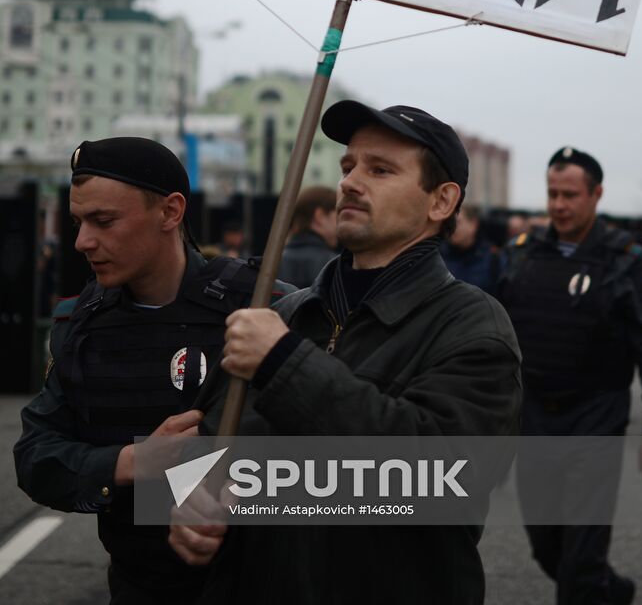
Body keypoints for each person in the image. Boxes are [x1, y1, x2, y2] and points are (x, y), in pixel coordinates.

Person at [169, 101, 522, 605]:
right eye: (348, 166)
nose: (351, 182)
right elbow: (210, 445)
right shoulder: (284, 315)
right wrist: (189, 502)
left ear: (441, 201)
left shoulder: (472, 326)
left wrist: (284, 364)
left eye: (380, 170)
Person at [14, 136, 294, 605]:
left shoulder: (266, 308)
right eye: (79, 222)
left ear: (170, 212)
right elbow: (36, 457)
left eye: (104, 221)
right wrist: (131, 463)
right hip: (140, 588)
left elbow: (341, 455)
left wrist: (223, 485)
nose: (83, 241)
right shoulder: (79, 325)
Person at [498, 146, 642, 605]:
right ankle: (614, 591)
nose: (558, 205)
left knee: (579, 561)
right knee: (546, 547)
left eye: (570, 194)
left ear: (596, 195)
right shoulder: (522, 253)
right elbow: (499, 339)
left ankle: (594, 587)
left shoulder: (627, 260)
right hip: (535, 419)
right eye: (553, 194)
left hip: (596, 420)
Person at [278, 184, 338, 288]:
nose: (340, 224)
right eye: (337, 215)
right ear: (320, 216)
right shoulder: (335, 266)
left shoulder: (269, 266)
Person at [440, 203, 500, 294]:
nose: (451, 228)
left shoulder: (493, 259)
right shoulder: (438, 257)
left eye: (457, 222)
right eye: (449, 222)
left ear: (474, 225)